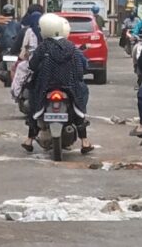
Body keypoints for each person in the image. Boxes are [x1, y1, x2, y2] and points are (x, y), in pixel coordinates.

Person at [15, 10, 92, 153]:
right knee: (79, 107)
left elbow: (32, 65)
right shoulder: (71, 47)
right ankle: (85, 142)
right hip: (70, 86)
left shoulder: (43, 46)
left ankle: (29, 139)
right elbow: (82, 66)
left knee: (34, 105)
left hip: (45, 86)